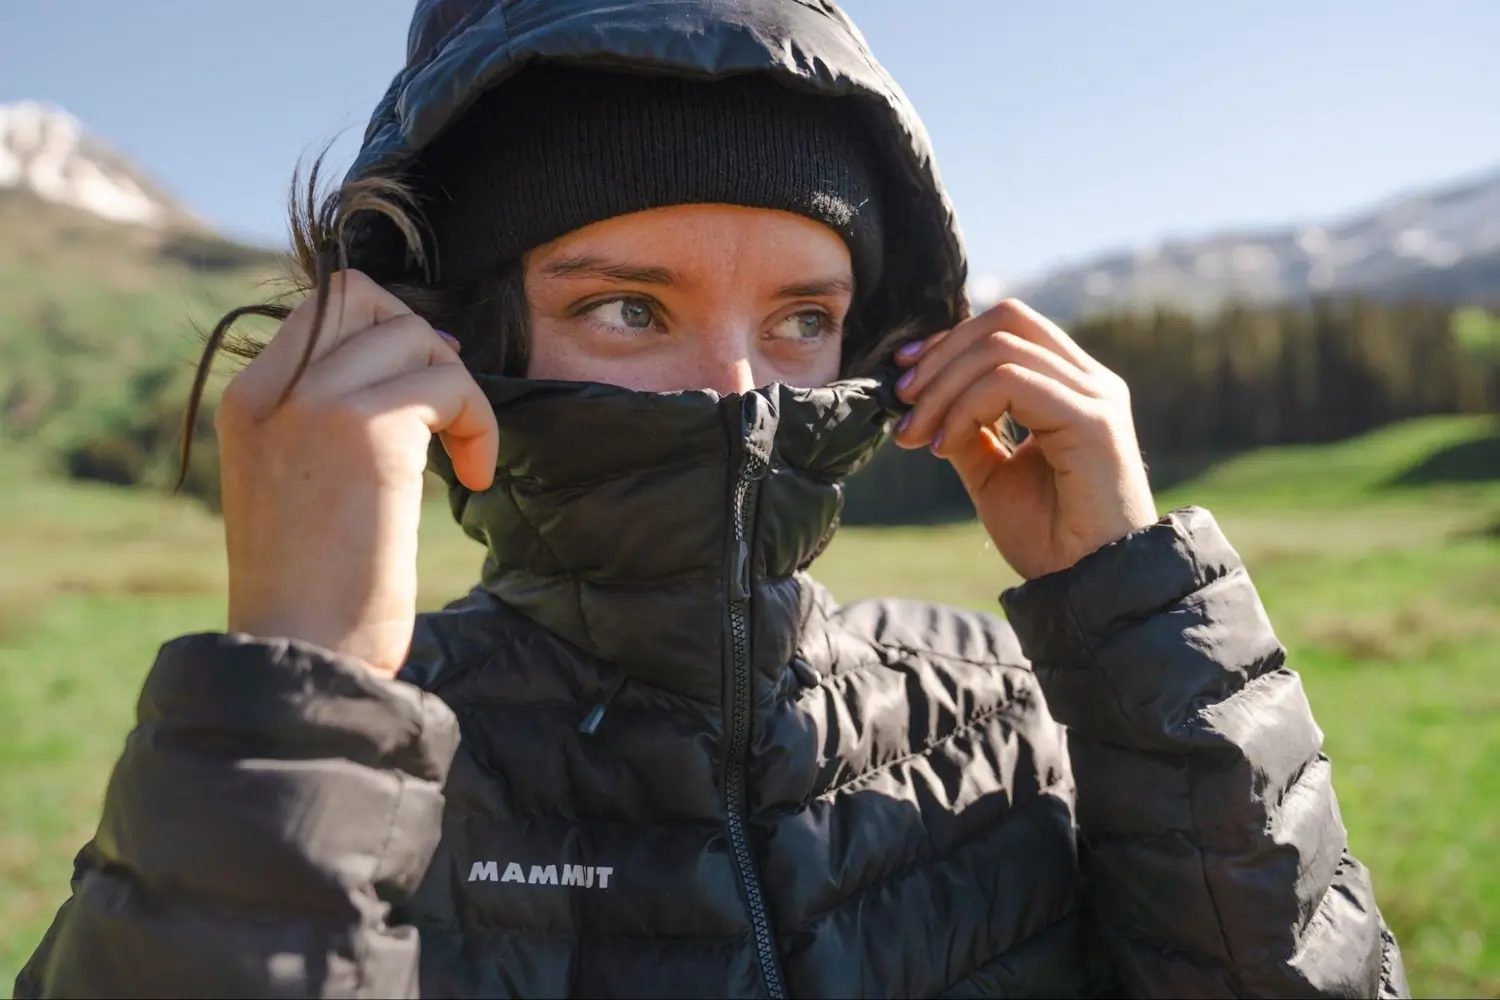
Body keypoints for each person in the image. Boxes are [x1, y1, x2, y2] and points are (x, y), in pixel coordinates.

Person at [17, 1, 1408, 997]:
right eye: (629, 308)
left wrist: (1143, 622)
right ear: (462, 345)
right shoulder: (333, 760)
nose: (737, 391)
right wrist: (299, 685)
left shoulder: (1018, 712)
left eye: (804, 318)